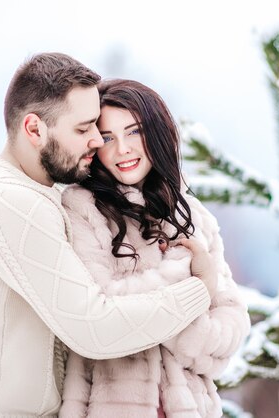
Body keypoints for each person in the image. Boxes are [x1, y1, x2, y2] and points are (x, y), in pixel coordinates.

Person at [0, 53, 215, 417]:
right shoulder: (13, 203)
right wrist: (199, 289)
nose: (97, 141)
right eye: (83, 129)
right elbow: (94, 328)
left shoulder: (18, 190)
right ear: (34, 130)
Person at [59, 79, 251, 418]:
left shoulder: (193, 216)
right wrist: (191, 280)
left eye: (133, 132)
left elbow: (230, 328)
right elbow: (103, 312)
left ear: (157, 134)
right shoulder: (82, 208)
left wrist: (187, 330)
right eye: (107, 137)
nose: (122, 149)